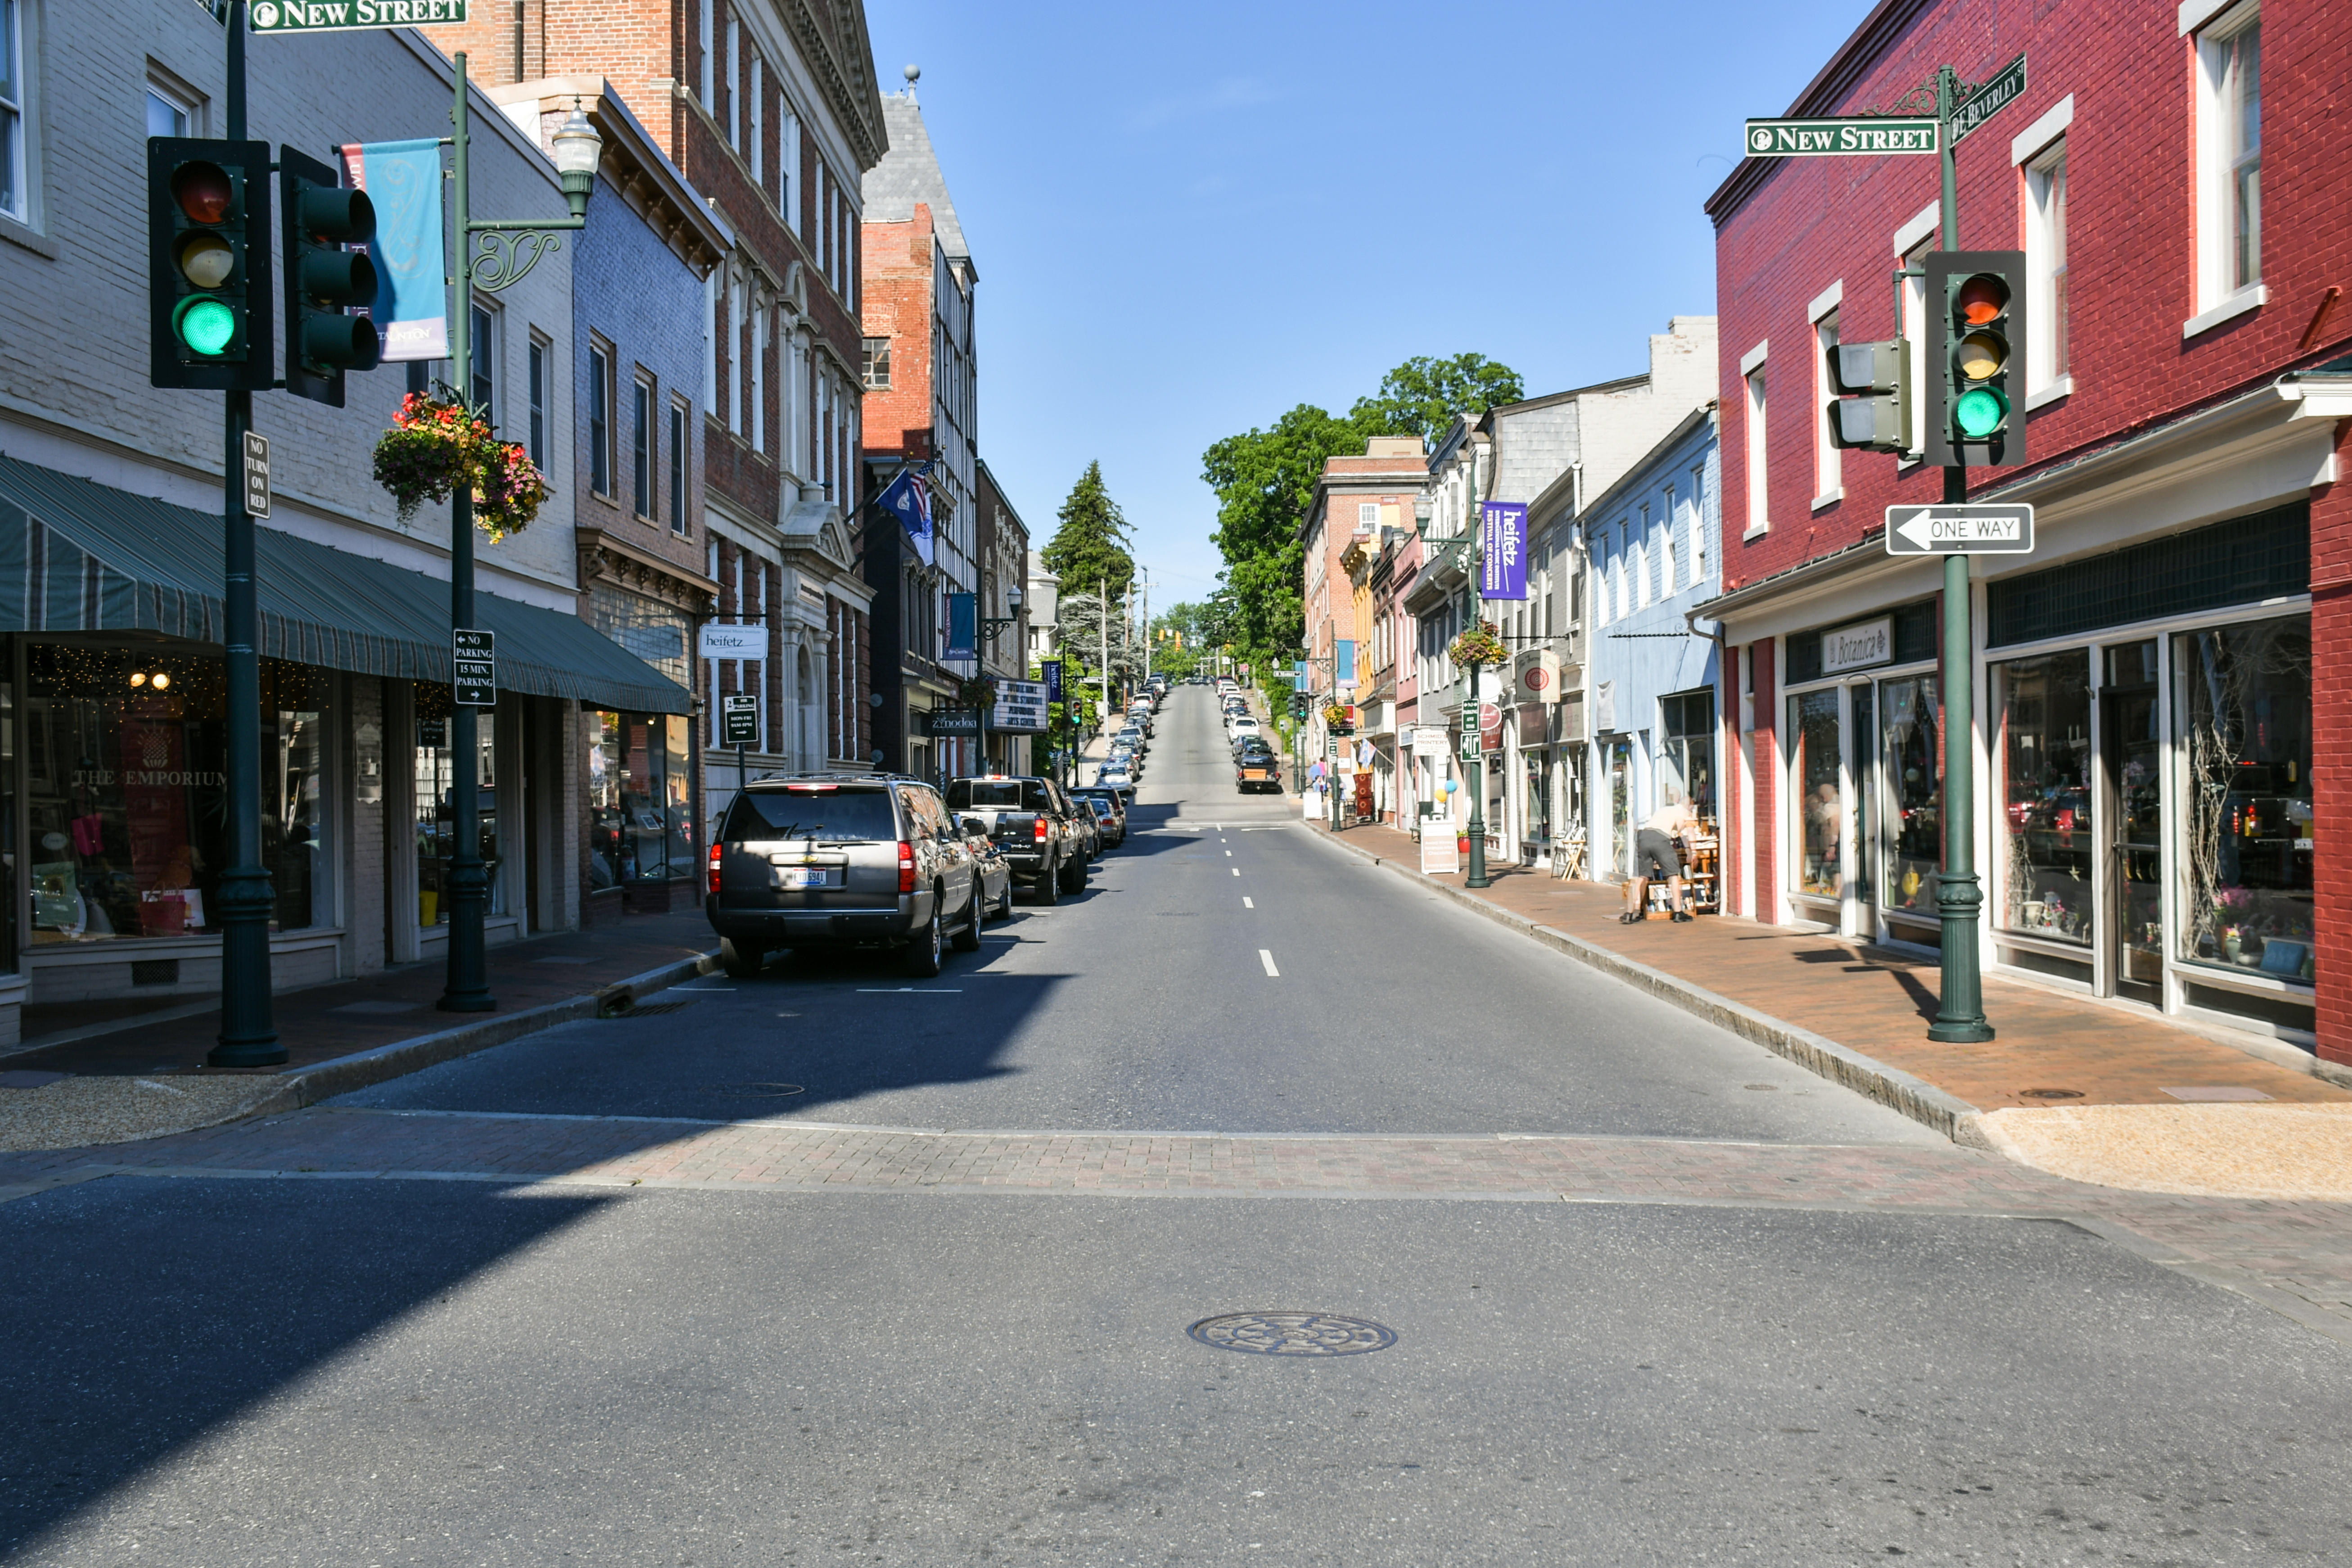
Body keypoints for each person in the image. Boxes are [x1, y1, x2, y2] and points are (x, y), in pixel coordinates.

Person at [1621, 789, 1699, 924]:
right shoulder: (1686, 813)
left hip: (1643, 836)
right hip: (1660, 838)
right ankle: (1678, 912)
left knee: (1641, 877)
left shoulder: (1663, 810)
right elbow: (1689, 834)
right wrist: (1692, 852)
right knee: (1673, 875)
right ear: (1690, 807)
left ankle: (1632, 913)